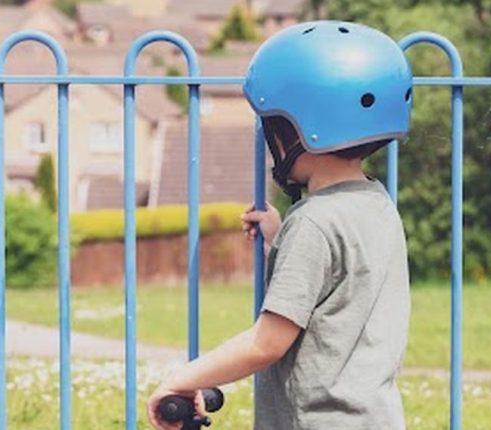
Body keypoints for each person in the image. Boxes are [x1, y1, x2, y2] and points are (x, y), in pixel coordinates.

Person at [147, 20, 413, 430]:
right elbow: (342, 283)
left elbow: (266, 343)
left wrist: (182, 379)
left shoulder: (314, 223)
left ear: (300, 129)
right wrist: (280, 238)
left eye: (274, 126)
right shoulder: (377, 205)